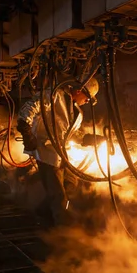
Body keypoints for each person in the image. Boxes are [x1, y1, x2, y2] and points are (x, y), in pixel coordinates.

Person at [17, 78, 100, 226]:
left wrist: (88, 139)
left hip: (62, 155)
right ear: (79, 91)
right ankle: (63, 230)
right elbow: (31, 106)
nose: (87, 101)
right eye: (87, 98)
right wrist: (25, 129)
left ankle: (42, 212)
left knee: (70, 185)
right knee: (58, 195)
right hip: (47, 153)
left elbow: (71, 134)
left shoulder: (77, 112)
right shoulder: (54, 96)